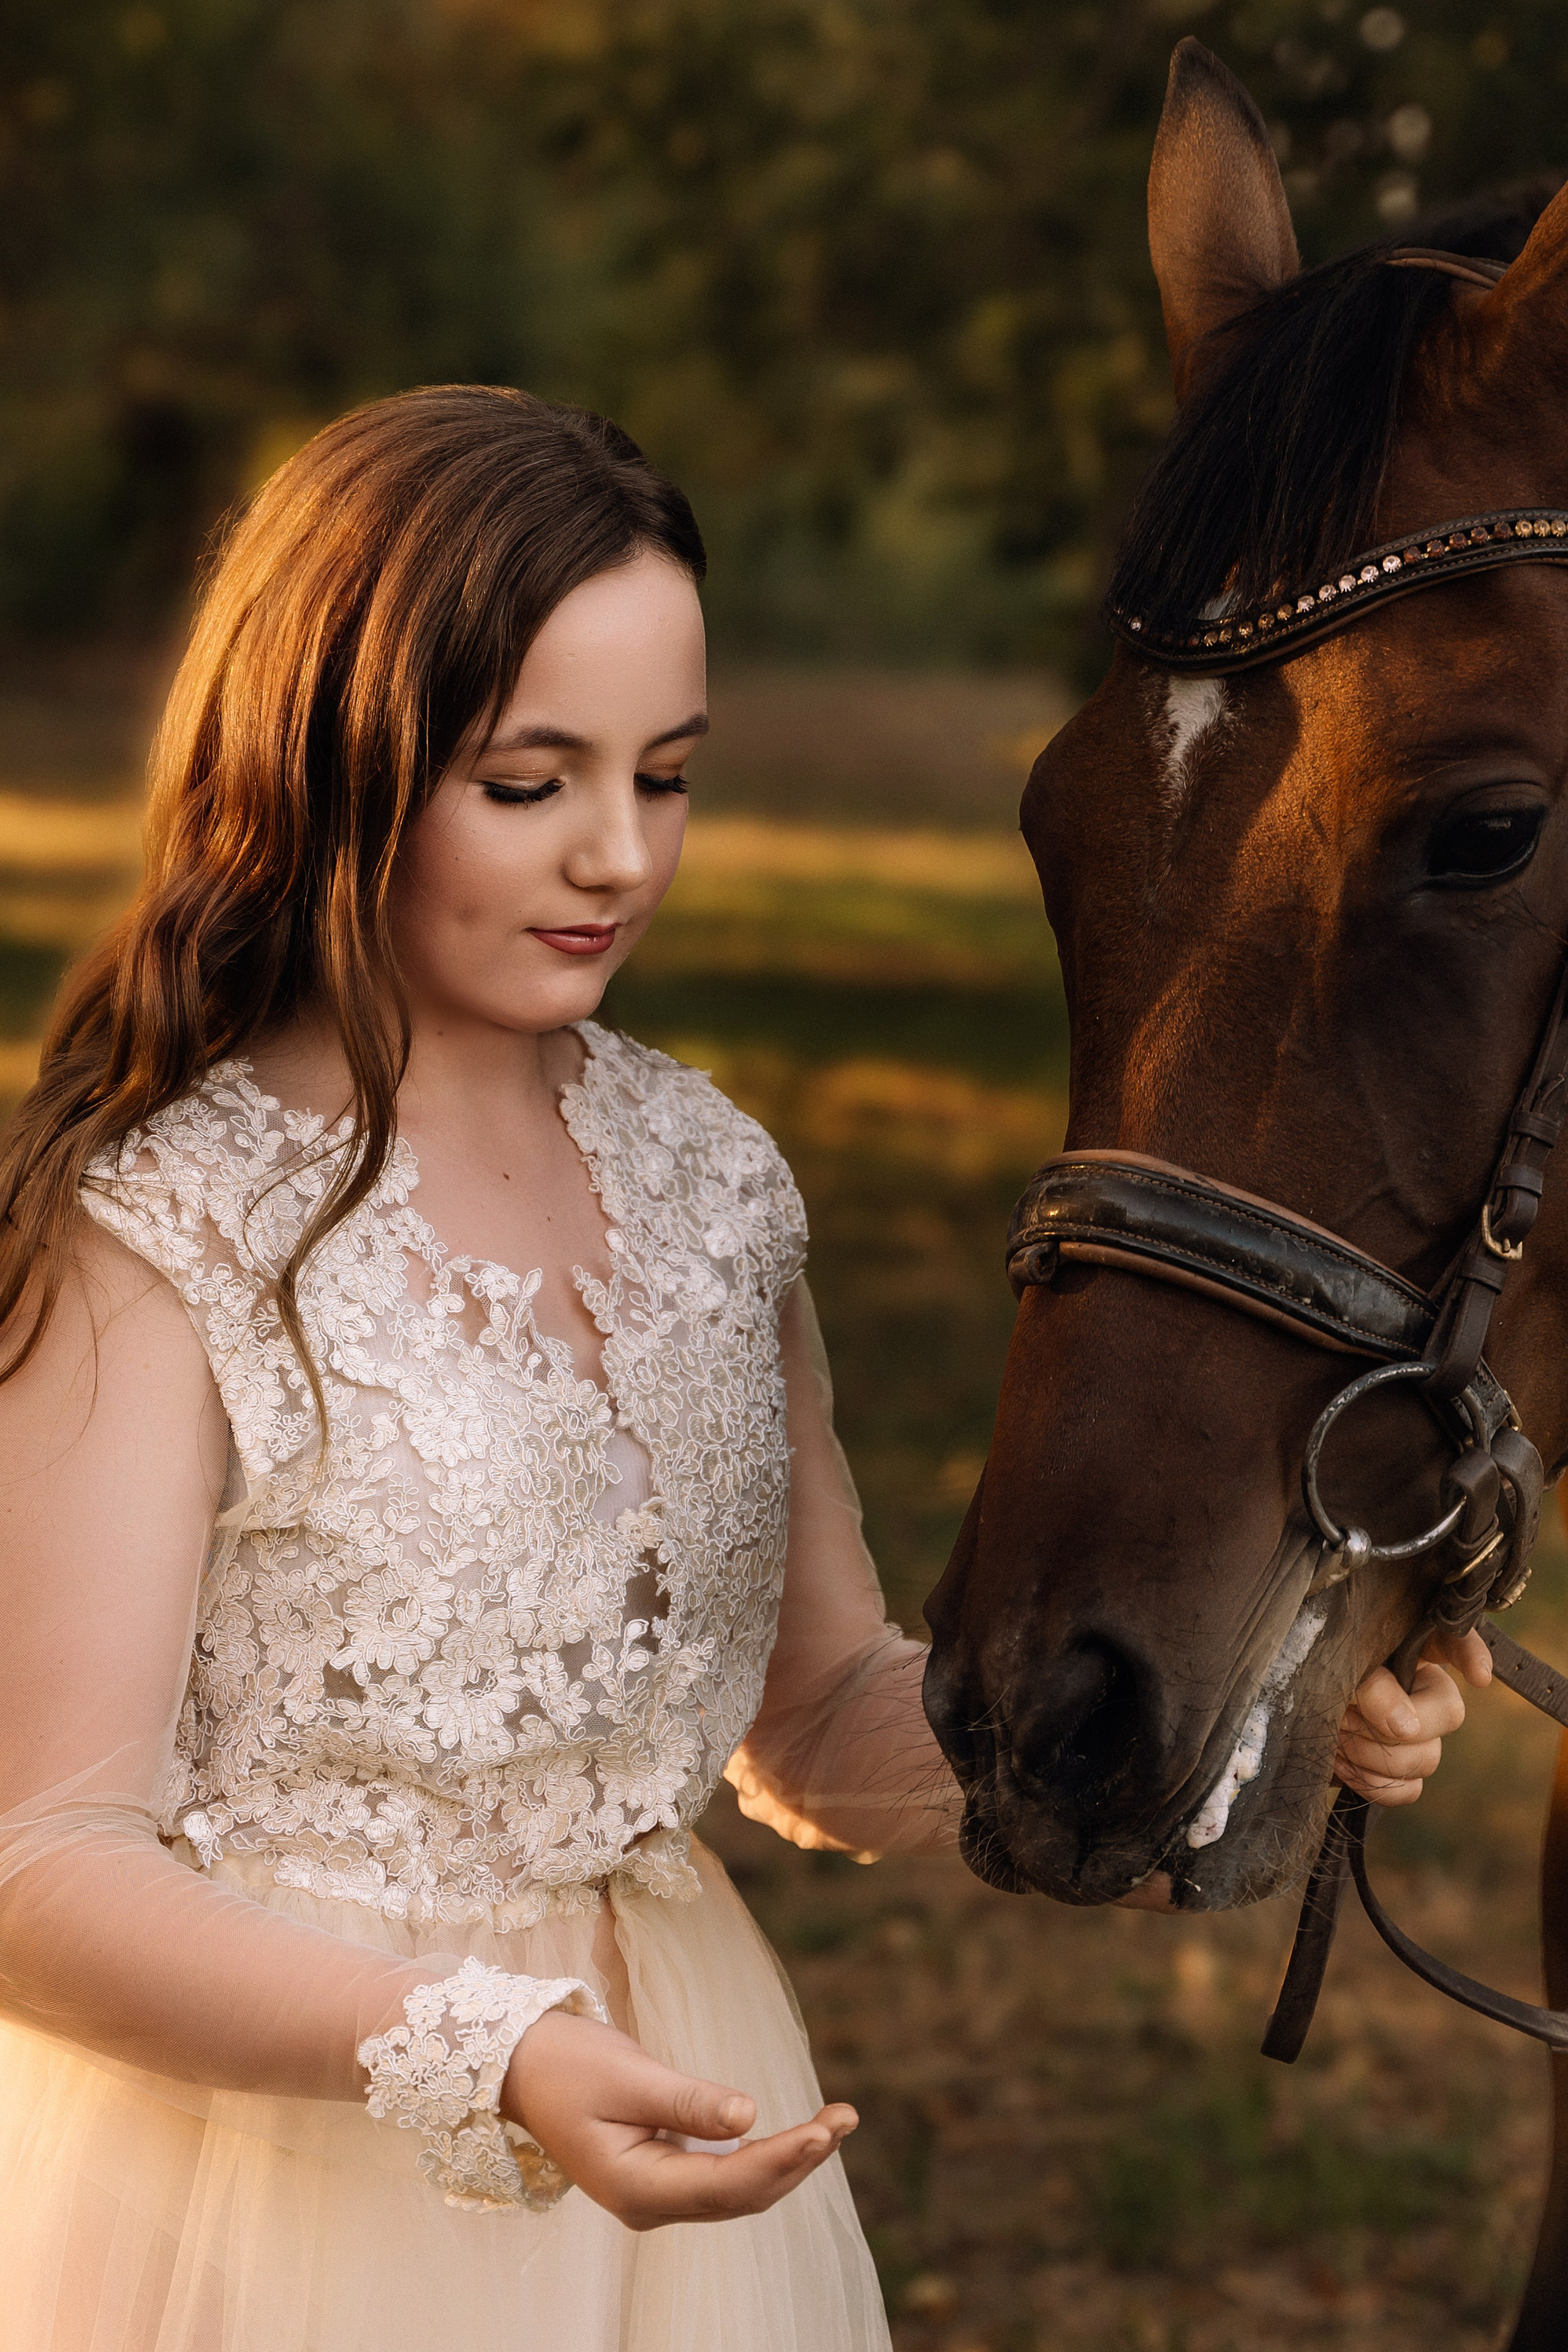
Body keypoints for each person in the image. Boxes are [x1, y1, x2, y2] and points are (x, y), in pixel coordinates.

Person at [0, 386, 1478, 2352]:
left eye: (668, 776)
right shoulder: (163, 1226)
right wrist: (489, 2050)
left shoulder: (706, 1178)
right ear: (331, 760)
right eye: (527, 783)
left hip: (685, 2138)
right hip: (273, 2189)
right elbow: (38, 1862)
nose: (616, 855)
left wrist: (1197, 1755)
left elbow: (822, 1716)